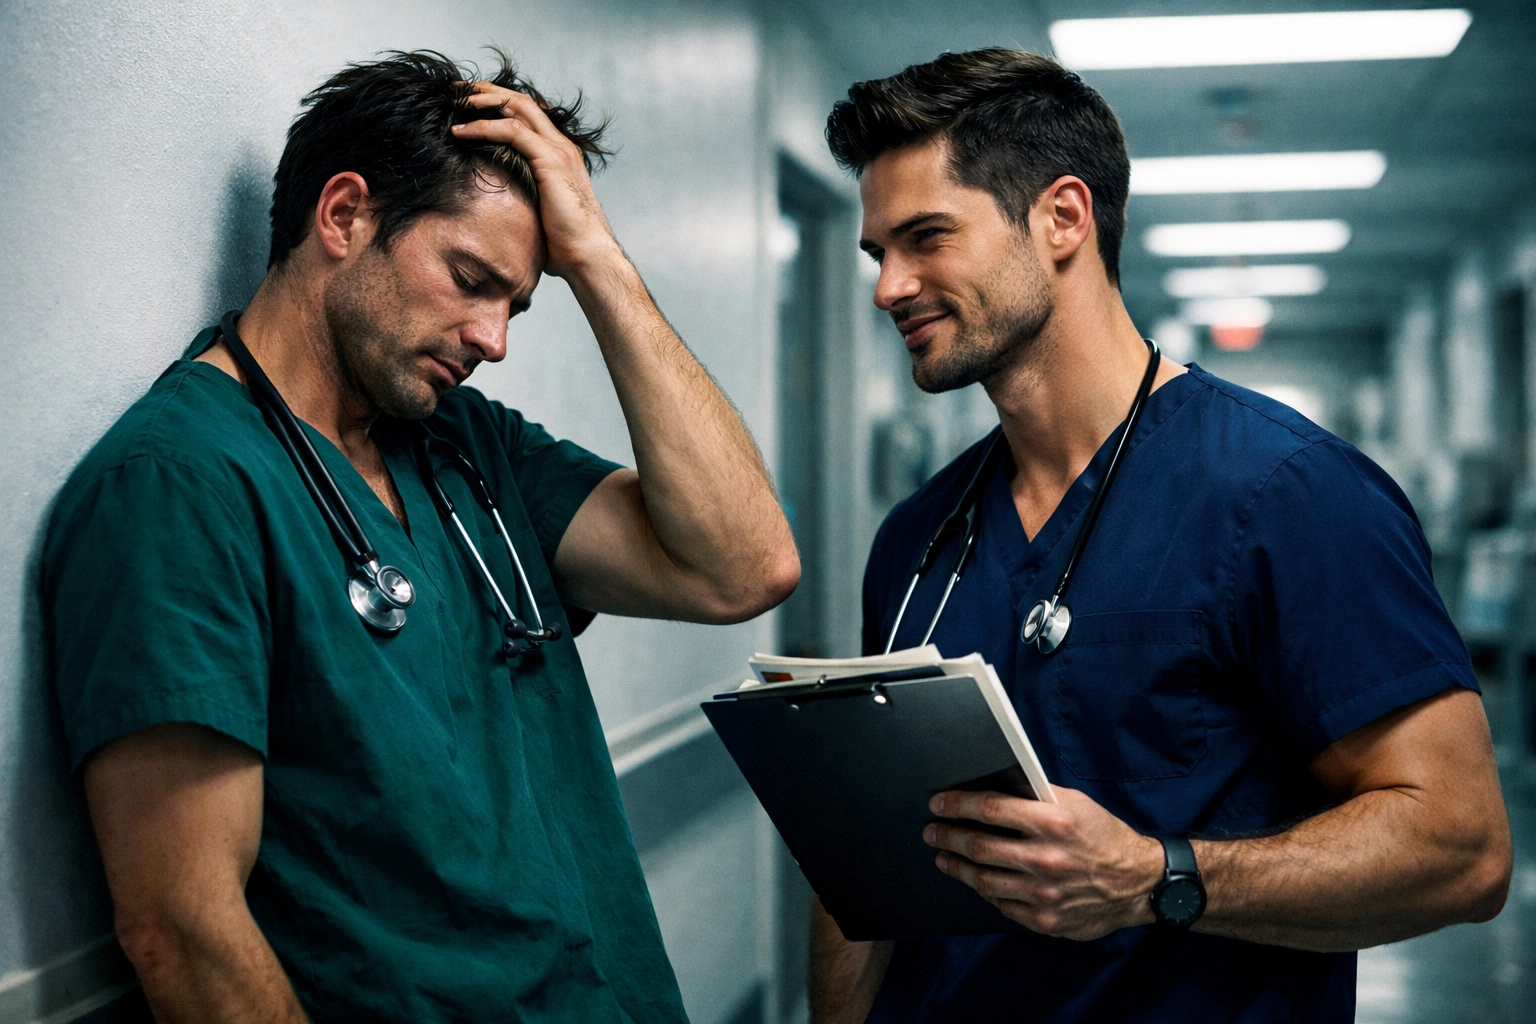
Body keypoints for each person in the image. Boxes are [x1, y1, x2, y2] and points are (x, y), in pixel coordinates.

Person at [42, 50, 799, 1022]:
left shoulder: (466, 448)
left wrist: (601, 259)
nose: (495, 339)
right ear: (344, 216)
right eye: (471, 278)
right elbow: (185, 929)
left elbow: (745, 564)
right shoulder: (179, 487)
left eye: (518, 301)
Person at [809, 49, 1512, 1023]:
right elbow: (866, 872)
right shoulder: (918, 540)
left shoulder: (1290, 494)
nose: (889, 286)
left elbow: (1461, 846)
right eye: (877, 252)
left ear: (1063, 217)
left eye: (926, 237)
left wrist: (1155, 877)